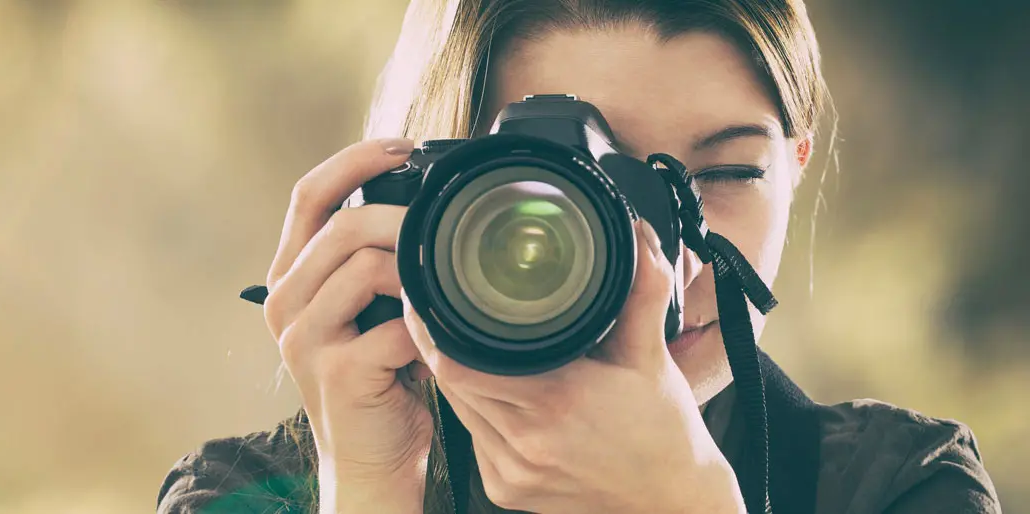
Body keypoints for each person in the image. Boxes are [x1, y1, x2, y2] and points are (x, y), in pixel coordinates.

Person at [157, 0, 1002, 512]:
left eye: (728, 173)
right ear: (436, 197)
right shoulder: (245, 498)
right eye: (580, 189)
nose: (661, 271)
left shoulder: (897, 490)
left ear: (796, 168)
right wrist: (373, 487)